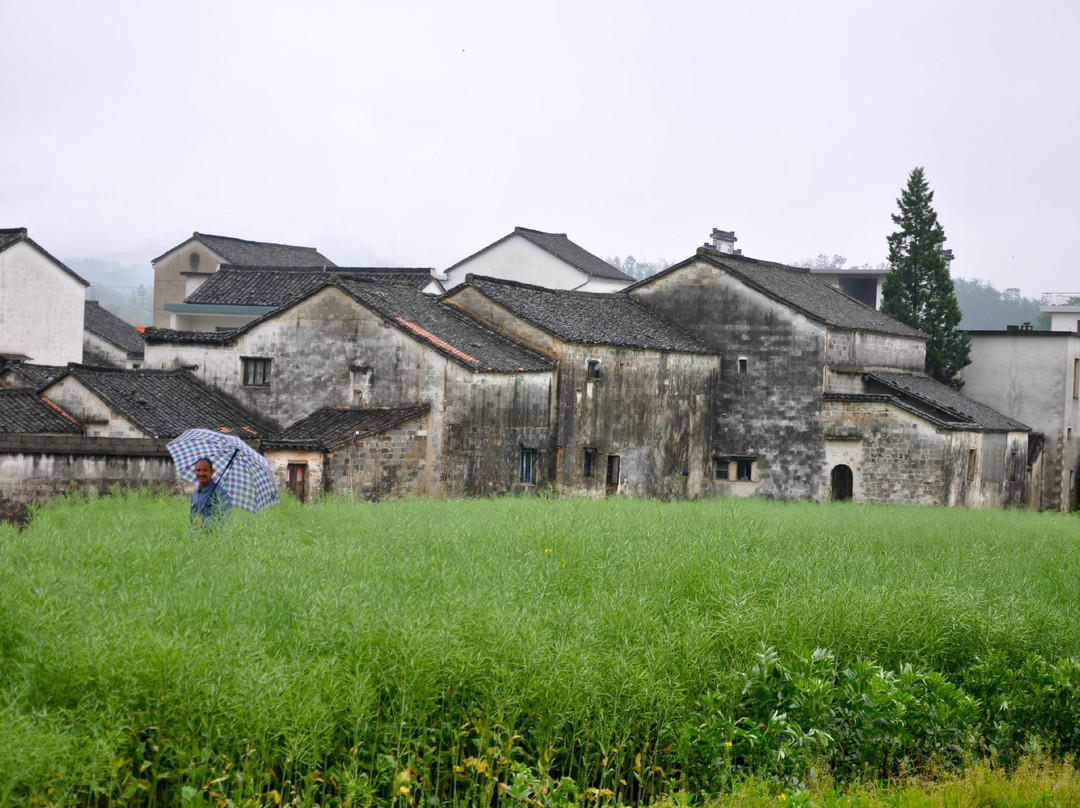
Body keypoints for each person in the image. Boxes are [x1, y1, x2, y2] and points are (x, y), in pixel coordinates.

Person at [190, 457, 231, 527]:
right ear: (195, 472)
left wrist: (205, 522)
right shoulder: (195, 494)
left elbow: (225, 518)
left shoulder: (220, 493)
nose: (201, 473)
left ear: (212, 472)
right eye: (198, 470)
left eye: (205, 470)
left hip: (212, 536)